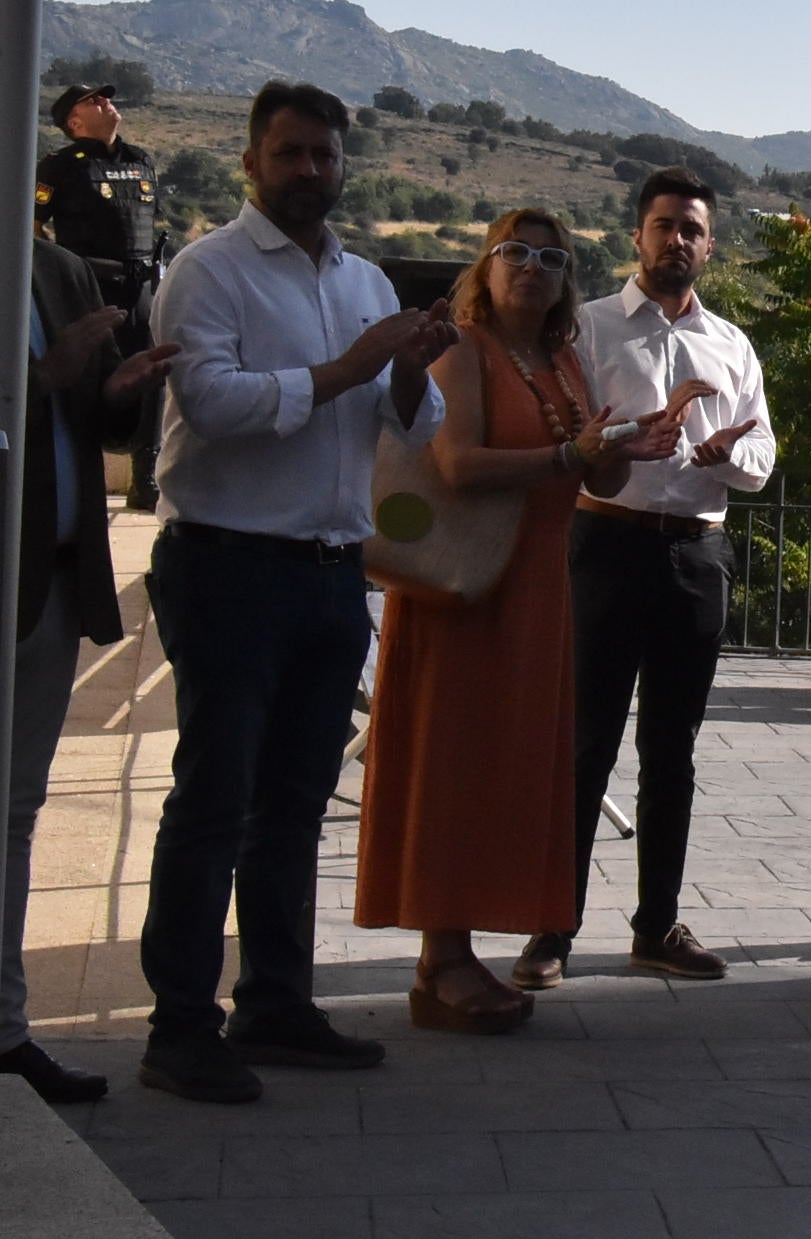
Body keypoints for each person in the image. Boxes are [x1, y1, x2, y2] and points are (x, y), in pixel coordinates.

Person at [137, 81, 458, 1105]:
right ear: (249, 161)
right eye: (291, 153)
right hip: (230, 566)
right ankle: (180, 1023)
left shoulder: (363, 277)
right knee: (214, 800)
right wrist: (349, 364)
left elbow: (414, 422)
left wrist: (407, 371)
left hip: (330, 573)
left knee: (293, 806)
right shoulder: (210, 269)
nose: (310, 170)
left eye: (325, 154)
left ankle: (276, 1000)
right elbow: (214, 402)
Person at [355, 212, 676, 1031]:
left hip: (536, 585)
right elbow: (456, 463)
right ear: (485, 267)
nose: (532, 268)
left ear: (567, 277)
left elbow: (581, 464)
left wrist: (623, 450)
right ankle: (441, 962)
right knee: (453, 767)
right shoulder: (464, 349)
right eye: (515, 253)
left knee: (504, 766)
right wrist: (571, 458)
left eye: (552, 257)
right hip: (466, 592)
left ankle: (458, 956)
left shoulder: (562, 359)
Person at [516, 166, 773, 992]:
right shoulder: (588, 331)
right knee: (586, 740)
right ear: (638, 235)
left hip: (697, 554)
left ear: (709, 244)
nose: (677, 241)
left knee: (673, 750)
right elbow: (569, 436)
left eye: (692, 229)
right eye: (664, 226)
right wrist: (636, 436)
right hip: (607, 543)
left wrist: (729, 452)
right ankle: (551, 930)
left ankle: (657, 926)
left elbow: (764, 460)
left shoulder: (731, 345)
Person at [2, 240, 173, 1102]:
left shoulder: (59, 268)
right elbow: (37, 388)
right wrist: (42, 372)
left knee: (17, 813)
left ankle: (5, 1031)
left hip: (53, 579)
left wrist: (115, 392)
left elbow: (94, 417)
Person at [36, 81, 165, 507]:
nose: (106, 102)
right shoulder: (59, 166)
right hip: (89, 286)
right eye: (93, 100)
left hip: (141, 284)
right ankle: (78, 476)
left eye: (106, 96)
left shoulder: (141, 160)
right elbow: (32, 226)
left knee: (149, 374)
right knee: (88, 379)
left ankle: (145, 478)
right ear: (73, 121)